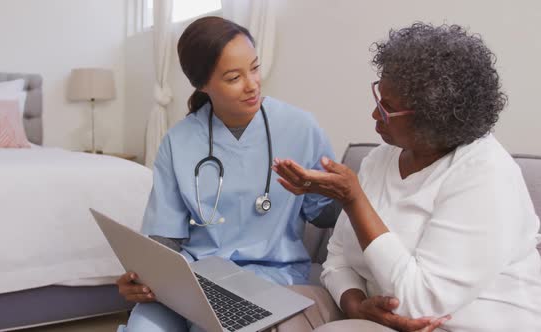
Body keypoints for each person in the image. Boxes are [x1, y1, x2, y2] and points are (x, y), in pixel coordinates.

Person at [273, 23, 541, 331]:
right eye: (378, 98)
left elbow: (418, 304)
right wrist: (356, 305)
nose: (375, 115)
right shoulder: (380, 159)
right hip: (373, 314)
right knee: (279, 310)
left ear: (433, 118)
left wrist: (354, 200)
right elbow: (337, 258)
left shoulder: (487, 176)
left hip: (456, 325)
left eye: (387, 108)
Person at [115, 16, 342, 332]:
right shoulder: (178, 141)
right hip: (194, 278)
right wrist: (146, 278)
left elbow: (327, 215)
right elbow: (164, 237)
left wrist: (334, 189)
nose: (252, 84)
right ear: (203, 85)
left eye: (255, 67)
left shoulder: (301, 128)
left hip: (271, 277)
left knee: (211, 326)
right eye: (234, 77)